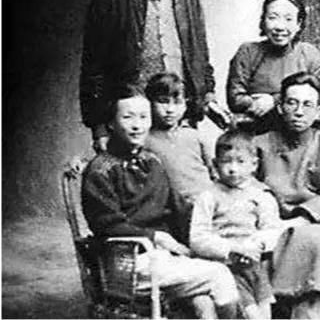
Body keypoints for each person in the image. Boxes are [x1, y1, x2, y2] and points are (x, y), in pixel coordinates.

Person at [81, 84, 239, 319]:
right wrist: (157, 237)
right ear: (111, 123)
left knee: (205, 301)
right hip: (128, 262)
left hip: (163, 260)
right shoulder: (100, 170)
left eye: (143, 117)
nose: (137, 125)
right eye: (128, 117)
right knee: (219, 276)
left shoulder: (152, 161)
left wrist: (214, 230)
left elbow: (178, 208)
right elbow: (106, 224)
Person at [80, 0, 230, 154]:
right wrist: (99, 128)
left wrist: (208, 98)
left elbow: (200, 56)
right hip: (133, 119)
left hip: (179, 114)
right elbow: (93, 69)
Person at [190, 130, 283, 319]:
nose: (233, 169)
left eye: (240, 162)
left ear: (254, 164)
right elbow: (198, 238)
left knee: (265, 312)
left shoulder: (261, 196)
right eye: (226, 162)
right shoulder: (208, 197)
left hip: (254, 266)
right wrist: (231, 248)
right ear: (215, 164)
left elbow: (272, 228)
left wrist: (256, 244)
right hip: (224, 267)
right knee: (251, 314)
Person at [253, 72, 320, 224]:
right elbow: (243, 187)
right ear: (280, 107)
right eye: (292, 103)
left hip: (314, 222)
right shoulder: (258, 145)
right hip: (266, 220)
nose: (299, 112)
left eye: (307, 105)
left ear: (318, 111)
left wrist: (305, 217)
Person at [226, 0, 320, 130]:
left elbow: (319, 98)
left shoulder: (309, 54)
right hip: (254, 130)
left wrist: (273, 100)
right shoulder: (248, 52)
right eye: (272, 18)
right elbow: (235, 100)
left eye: (288, 19)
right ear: (263, 21)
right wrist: (258, 104)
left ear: (298, 24)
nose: (280, 27)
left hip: (296, 132)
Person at [145, 73, 216, 206]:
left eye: (177, 102)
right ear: (150, 103)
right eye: (163, 101)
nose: (170, 109)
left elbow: (215, 172)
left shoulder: (194, 136)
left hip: (206, 203)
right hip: (172, 207)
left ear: (185, 105)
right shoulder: (145, 140)